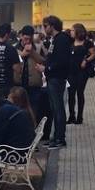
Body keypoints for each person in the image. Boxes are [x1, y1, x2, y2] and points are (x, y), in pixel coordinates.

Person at [40, 15, 72, 150]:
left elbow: (62, 60)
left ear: (52, 26)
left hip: (57, 78)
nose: (44, 29)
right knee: (54, 108)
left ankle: (60, 138)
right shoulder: (56, 39)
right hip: (53, 77)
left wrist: (47, 68)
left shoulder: (62, 39)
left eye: (45, 26)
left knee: (58, 108)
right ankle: (56, 137)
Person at [67, 23, 95, 125]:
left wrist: (86, 61)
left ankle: (80, 117)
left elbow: (94, 54)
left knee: (80, 92)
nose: (70, 32)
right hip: (71, 71)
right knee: (71, 94)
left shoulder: (87, 43)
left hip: (82, 71)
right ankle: (71, 116)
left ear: (77, 31)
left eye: (72, 30)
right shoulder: (70, 42)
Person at [14, 25, 44, 119]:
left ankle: (33, 130)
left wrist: (32, 52)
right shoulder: (14, 48)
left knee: (34, 108)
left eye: (29, 39)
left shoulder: (39, 47)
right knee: (18, 108)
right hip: (18, 83)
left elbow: (43, 61)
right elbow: (11, 62)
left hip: (34, 84)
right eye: (25, 38)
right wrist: (22, 54)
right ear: (21, 36)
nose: (27, 41)